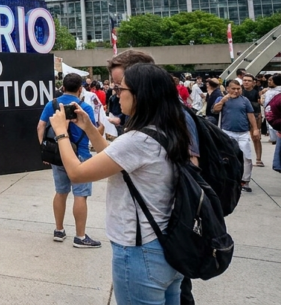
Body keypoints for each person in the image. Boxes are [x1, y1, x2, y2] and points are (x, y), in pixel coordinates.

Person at [52, 63, 189, 305]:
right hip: (168, 244)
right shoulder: (167, 131)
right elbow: (117, 160)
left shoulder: (138, 139)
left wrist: (61, 133)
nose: (116, 94)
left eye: (120, 88)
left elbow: (77, 172)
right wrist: (90, 129)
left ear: (140, 95)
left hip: (139, 250)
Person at [37, 73, 102, 248]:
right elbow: (92, 131)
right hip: (80, 156)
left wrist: (45, 150)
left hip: (58, 156)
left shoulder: (52, 104)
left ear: (63, 87)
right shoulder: (85, 107)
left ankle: (59, 230)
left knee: (60, 192)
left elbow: (40, 126)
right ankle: (80, 237)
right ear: (81, 89)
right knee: (80, 195)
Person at [212, 79, 257, 193]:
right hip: (227, 132)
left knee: (246, 156)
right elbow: (215, 110)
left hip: (243, 133)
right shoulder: (222, 99)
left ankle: (245, 181)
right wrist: (224, 99)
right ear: (228, 89)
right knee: (227, 156)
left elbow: (250, 115)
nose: (236, 91)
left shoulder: (245, 100)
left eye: (238, 89)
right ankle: (228, 179)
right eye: (234, 89)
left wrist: (255, 129)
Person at [242, 74, 264, 167]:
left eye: (249, 80)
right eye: (244, 80)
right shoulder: (240, 92)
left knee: (256, 138)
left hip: (255, 116)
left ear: (253, 83)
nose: (246, 82)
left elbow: (261, 104)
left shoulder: (257, 92)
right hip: (242, 116)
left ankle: (258, 159)